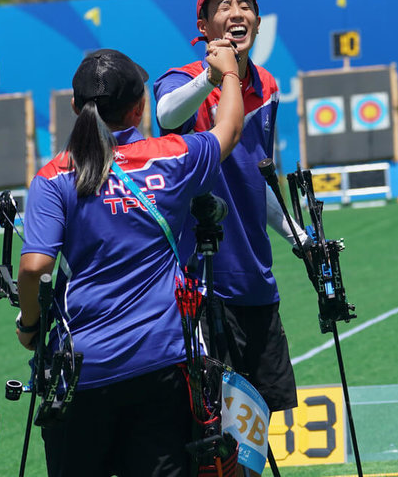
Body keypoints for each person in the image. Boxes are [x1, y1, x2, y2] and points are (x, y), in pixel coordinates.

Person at [16, 47, 243, 477]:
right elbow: (228, 130)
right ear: (140, 109)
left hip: (83, 371)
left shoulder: (55, 177)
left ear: (74, 107)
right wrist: (226, 74)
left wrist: (29, 326)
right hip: (161, 365)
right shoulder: (171, 157)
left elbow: (33, 267)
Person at [152, 0, 303, 425]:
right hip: (200, 284)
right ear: (204, 27)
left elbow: (260, 178)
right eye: (224, 5)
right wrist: (214, 78)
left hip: (257, 281)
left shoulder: (269, 86)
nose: (237, 12)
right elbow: (167, 114)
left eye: (245, 5)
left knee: (257, 429)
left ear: (257, 21)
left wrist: (296, 232)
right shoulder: (183, 80)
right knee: (209, 430)